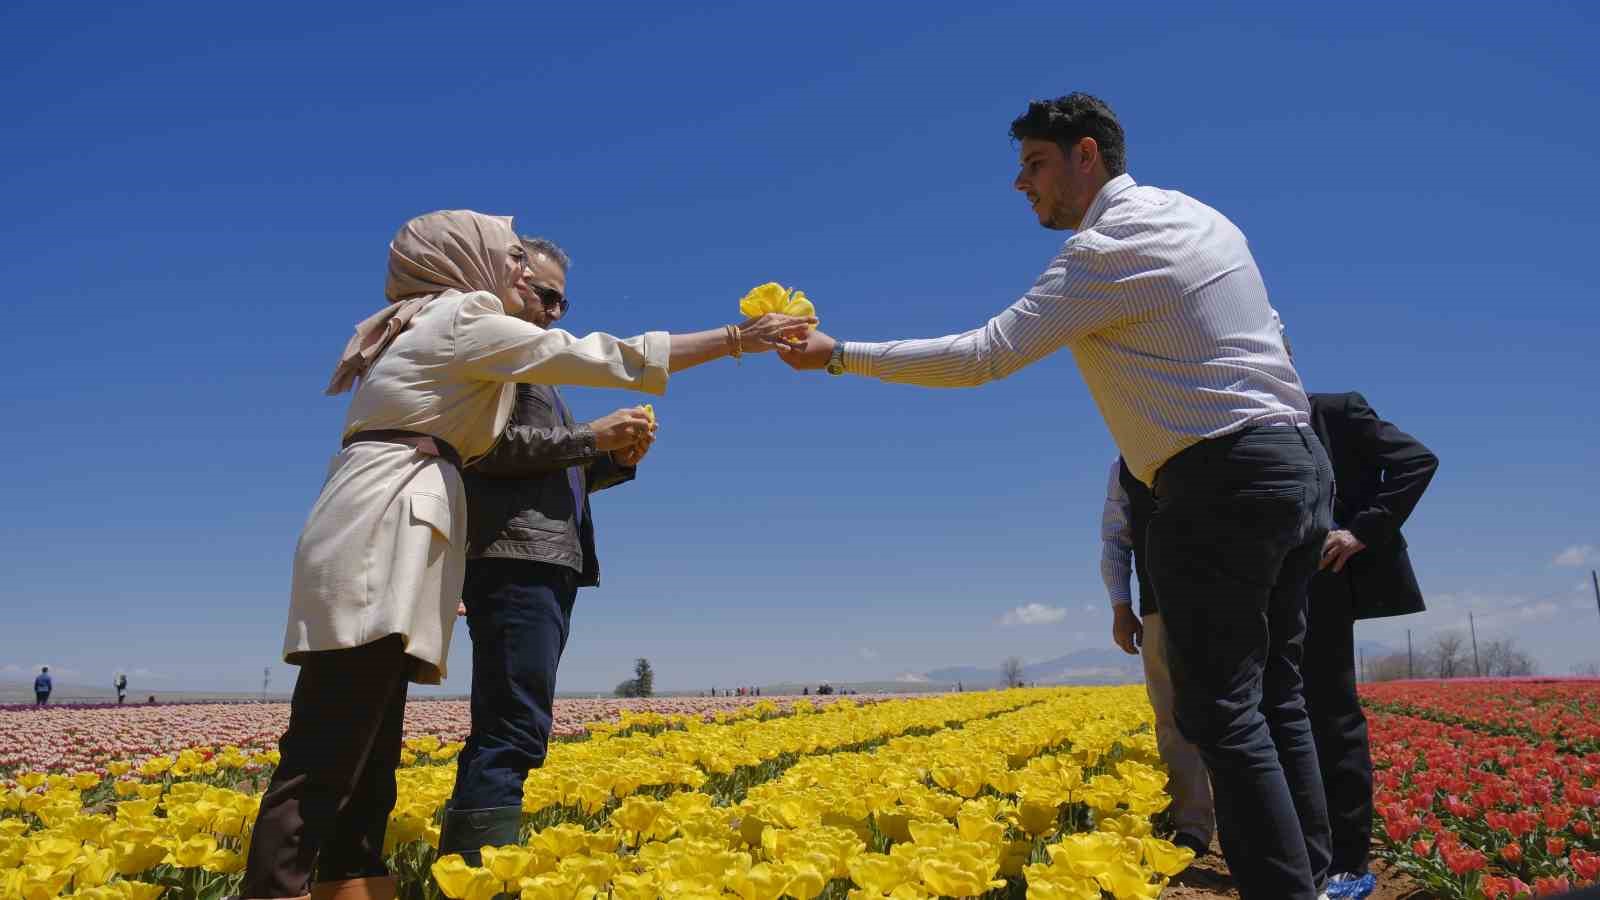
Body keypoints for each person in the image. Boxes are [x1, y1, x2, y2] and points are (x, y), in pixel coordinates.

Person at [781, 93, 1334, 899]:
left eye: (1035, 164)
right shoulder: (1204, 218)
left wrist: (840, 356)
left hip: (1219, 480)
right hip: (1296, 460)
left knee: (1221, 712)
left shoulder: (1105, 249)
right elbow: (1277, 333)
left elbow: (984, 354)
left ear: (1087, 155)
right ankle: (1316, 876)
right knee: (1278, 696)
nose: (1021, 184)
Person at [237, 210, 811, 900]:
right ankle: (280, 887)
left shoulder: (435, 333)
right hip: (386, 525)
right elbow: (608, 356)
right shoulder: (461, 317)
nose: (517, 270)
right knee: (332, 744)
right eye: (508, 257)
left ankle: (349, 884)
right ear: (461, 257)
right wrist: (737, 339)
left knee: (368, 744)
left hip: (392, 526)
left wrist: (603, 455)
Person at [438, 236, 661, 860]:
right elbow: (486, 450)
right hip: (515, 560)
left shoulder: (528, 369)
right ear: (507, 281)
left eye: (564, 302)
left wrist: (613, 458)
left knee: (518, 722)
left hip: (542, 559)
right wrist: (591, 435)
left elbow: (543, 469)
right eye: (547, 295)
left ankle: (471, 870)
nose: (556, 311)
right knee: (513, 725)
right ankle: (474, 876)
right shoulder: (496, 362)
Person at [1306, 390, 1437, 889]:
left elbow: (1416, 460)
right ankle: (1304, 852)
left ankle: (1346, 860)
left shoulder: (1336, 412)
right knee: (1283, 722)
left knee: (1332, 717)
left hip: (1326, 580)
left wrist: (1362, 530)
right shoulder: (1245, 425)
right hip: (1266, 588)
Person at [1101, 456, 1215, 857]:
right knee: (1171, 718)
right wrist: (1120, 606)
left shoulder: (1224, 435)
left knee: (1243, 714)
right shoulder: (1124, 465)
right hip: (1159, 607)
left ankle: (1257, 827)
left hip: (1233, 601)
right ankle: (1193, 827)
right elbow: (1115, 538)